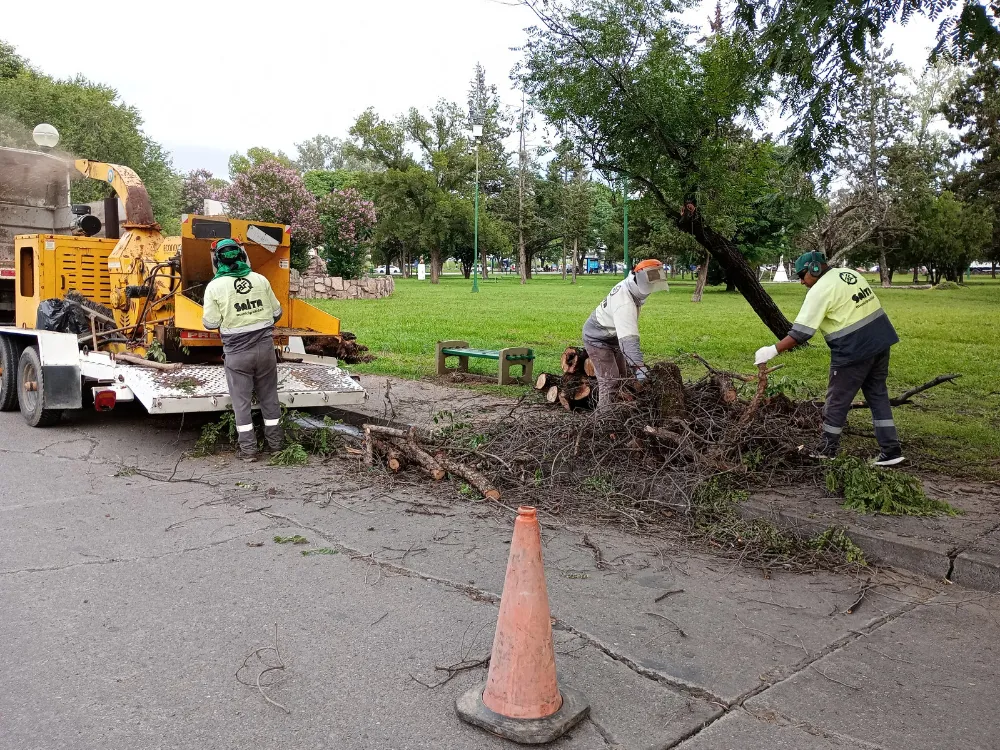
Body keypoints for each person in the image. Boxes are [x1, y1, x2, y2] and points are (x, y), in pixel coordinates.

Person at [754, 251, 904, 466]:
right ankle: (891, 451)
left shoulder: (820, 290)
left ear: (814, 269)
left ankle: (827, 449)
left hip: (853, 349)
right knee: (877, 394)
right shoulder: (850, 274)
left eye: (802, 276)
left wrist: (772, 350)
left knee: (836, 400)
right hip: (880, 341)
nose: (801, 282)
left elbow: (801, 333)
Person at [201, 238, 284, 461]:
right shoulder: (260, 279)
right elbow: (277, 313)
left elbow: (210, 323)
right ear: (242, 256)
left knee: (241, 403)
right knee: (269, 398)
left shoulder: (214, 287)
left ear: (217, 261)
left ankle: (248, 451)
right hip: (265, 350)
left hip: (237, 354)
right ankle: (276, 446)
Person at [582, 259, 670, 409]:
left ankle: (619, 413)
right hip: (597, 338)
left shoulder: (629, 287)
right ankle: (602, 418)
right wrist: (640, 369)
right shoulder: (625, 303)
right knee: (610, 382)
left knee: (622, 378)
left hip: (612, 337)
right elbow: (629, 341)